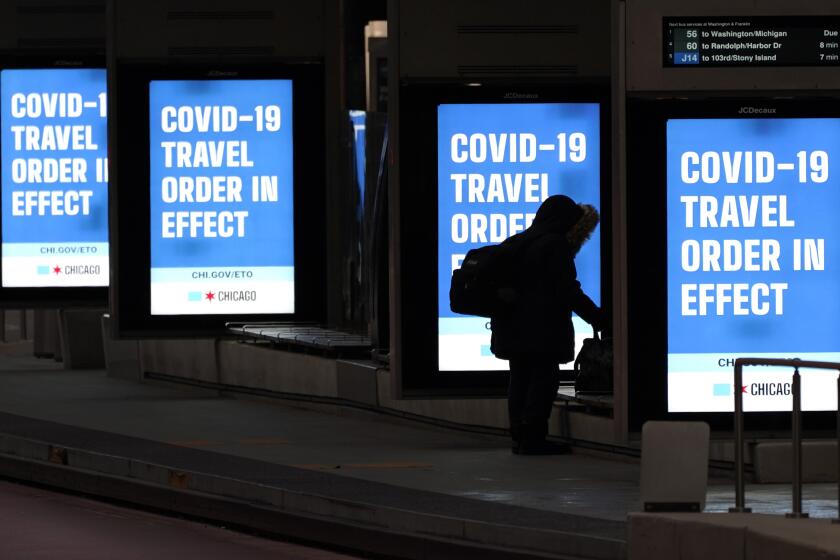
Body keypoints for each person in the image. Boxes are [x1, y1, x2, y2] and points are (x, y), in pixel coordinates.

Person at [490, 195, 603, 455]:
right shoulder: (554, 246)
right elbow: (567, 290)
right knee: (543, 381)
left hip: (511, 327)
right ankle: (534, 437)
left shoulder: (519, 241)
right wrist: (597, 317)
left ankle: (519, 435)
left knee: (519, 379)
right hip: (541, 330)